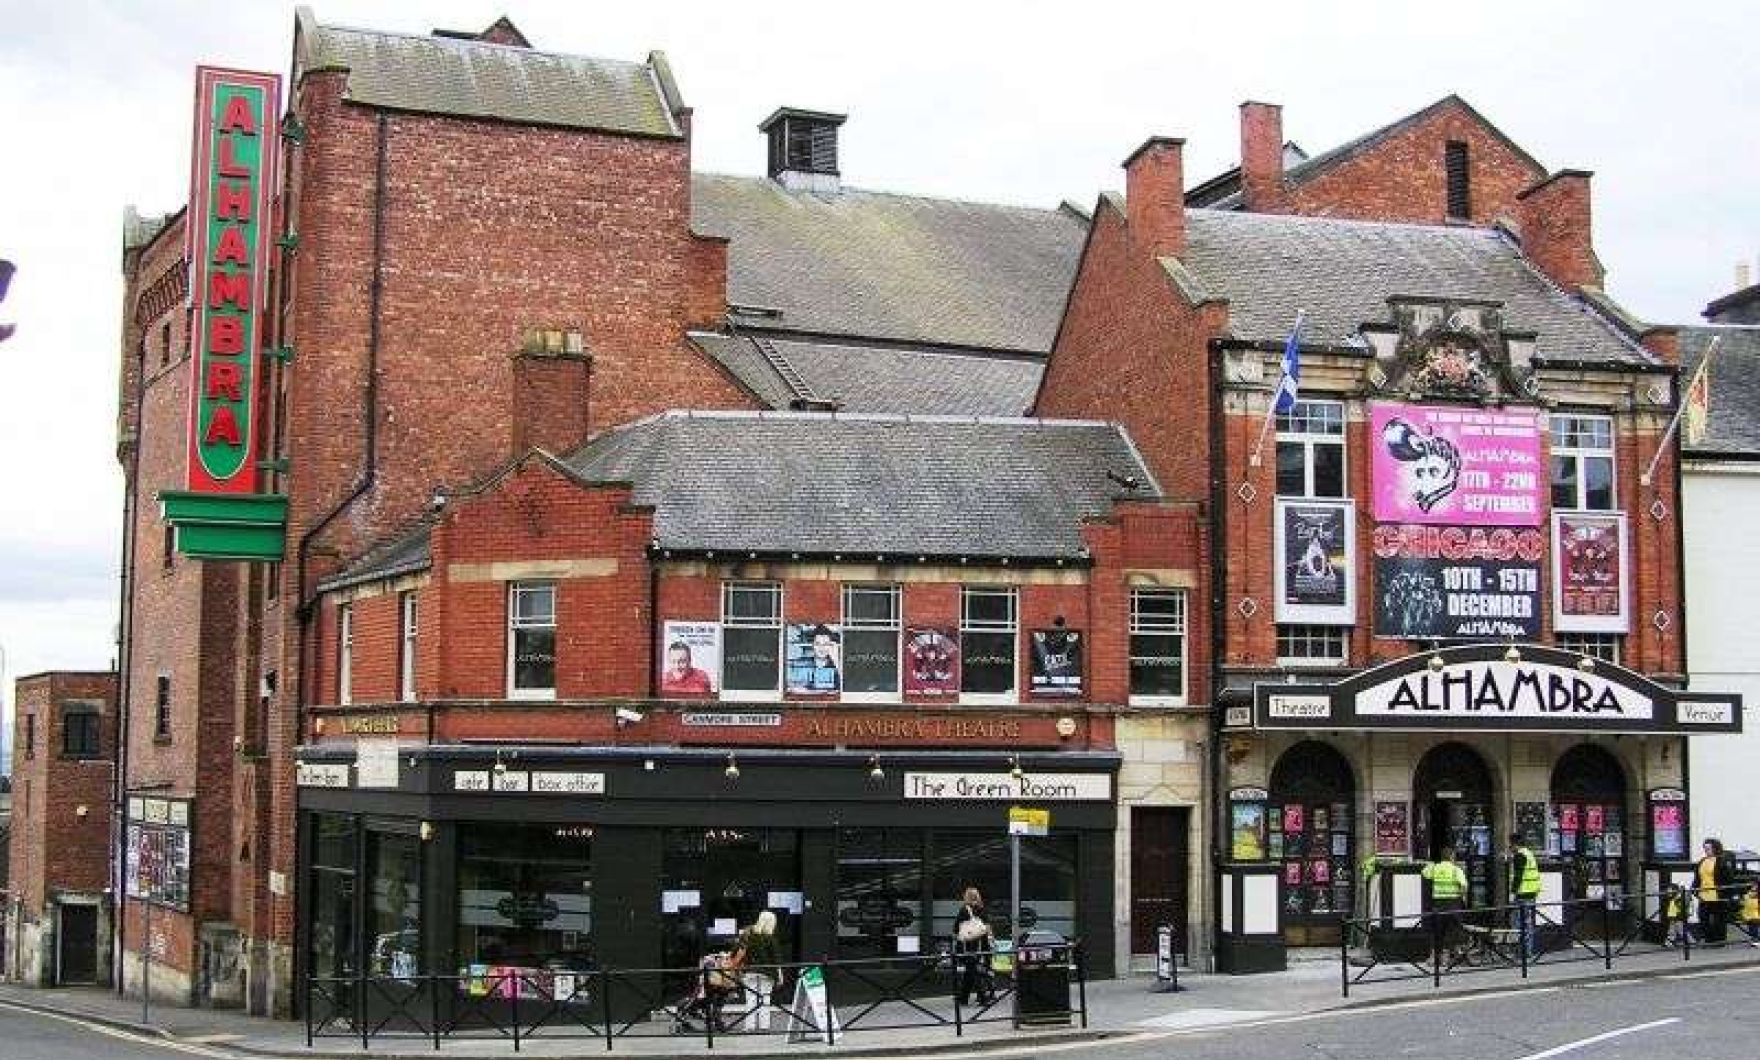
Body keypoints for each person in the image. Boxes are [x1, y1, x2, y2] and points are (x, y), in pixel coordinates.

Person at [734, 911, 782, 1031]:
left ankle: (749, 1027)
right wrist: (780, 974)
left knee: (751, 999)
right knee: (765, 999)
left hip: (749, 972)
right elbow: (776, 959)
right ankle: (764, 1027)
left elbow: (736, 951)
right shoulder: (770, 938)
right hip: (767, 973)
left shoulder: (747, 935)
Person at [1421, 846, 1469, 967]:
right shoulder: (1455, 869)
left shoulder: (1435, 868)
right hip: (1453, 903)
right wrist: (1462, 898)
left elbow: (1424, 873)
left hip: (1438, 903)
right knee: (1452, 931)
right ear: (1452, 856)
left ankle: (1435, 957)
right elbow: (1464, 886)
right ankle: (1448, 958)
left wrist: (1431, 863)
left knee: (1438, 931)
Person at [952, 886, 994, 1007]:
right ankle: (964, 997)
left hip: (968, 946)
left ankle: (981, 997)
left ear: (966, 897)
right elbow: (988, 927)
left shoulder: (964, 910)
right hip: (982, 945)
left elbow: (956, 929)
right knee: (971, 971)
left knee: (972, 971)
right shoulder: (982, 909)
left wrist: (959, 936)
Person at [1694, 837, 1737, 944]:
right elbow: (1698, 877)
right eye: (1705, 848)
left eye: (1708, 848)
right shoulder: (1702, 861)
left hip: (1718, 894)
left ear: (1715, 848)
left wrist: (1728, 894)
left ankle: (1719, 940)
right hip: (1704, 894)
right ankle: (1708, 938)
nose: (1706, 851)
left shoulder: (1722, 861)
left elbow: (1728, 879)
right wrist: (1695, 889)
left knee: (1719, 919)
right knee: (1703, 917)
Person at [1508, 833, 1542, 959]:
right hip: (1531, 892)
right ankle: (1527, 951)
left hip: (1522, 894)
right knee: (1527, 922)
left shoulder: (1520, 855)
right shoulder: (1529, 853)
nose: (1509, 847)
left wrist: (1512, 893)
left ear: (1515, 844)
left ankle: (1521, 952)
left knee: (1517, 923)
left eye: (1510, 844)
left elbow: (1518, 876)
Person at [1739, 879, 1760, 947]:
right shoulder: (1748, 895)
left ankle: (1755, 939)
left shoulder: (1747, 895)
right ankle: (1755, 939)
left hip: (1751, 915)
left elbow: (1742, 904)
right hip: (1752, 915)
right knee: (1753, 927)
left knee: (1753, 927)